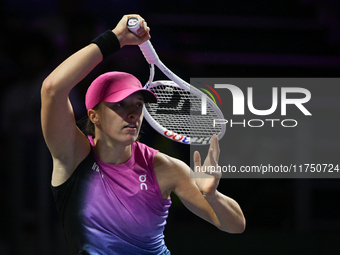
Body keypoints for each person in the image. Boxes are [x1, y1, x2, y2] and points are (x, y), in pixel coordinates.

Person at [41, 14, 245, 255]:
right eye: (119, 105)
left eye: (138, 105)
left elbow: (235, 226)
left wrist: (212, 196)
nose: (132, 114)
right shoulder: (73, 156)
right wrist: (115, 39)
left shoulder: (163, 167)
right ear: (94, 116)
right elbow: (53, 89)